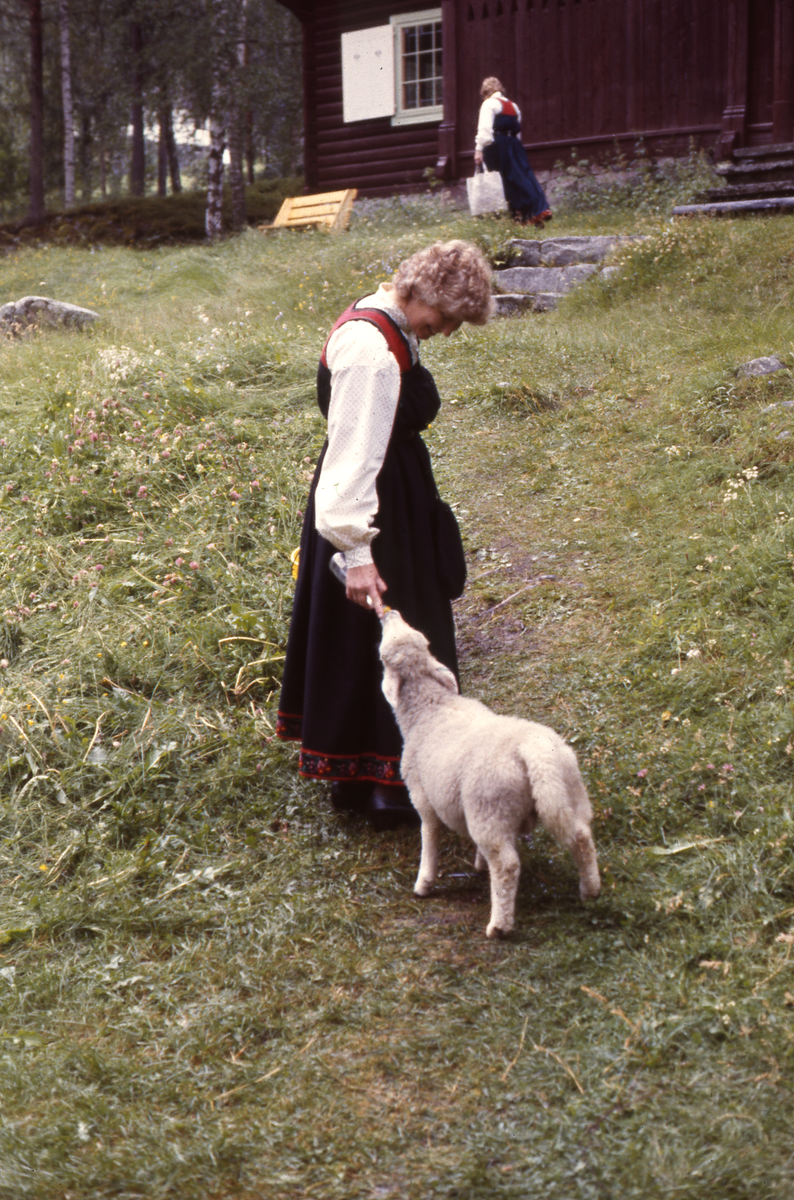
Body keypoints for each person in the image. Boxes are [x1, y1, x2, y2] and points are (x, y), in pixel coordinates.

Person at [276, 241, 494, 831]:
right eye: (445, 317)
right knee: (386, 632)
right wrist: (359, 554)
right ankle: (383, 785)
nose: (445, 331)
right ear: (420, 292)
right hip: (371, 512)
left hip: (391, 501)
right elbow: (352, 458)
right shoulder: (370, 352)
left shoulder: (388, 320)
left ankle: (365, 778)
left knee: (361, 637)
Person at [474, 76, 552, 226]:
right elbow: (517, 130)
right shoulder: (513, 106)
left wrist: (479, 149)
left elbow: (485, 130)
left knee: (502, 181)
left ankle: (522, 215)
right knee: (522, 176)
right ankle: (533, 212)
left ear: (485, 93)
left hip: (497, 145)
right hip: (514, 144)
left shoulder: (489, 104)